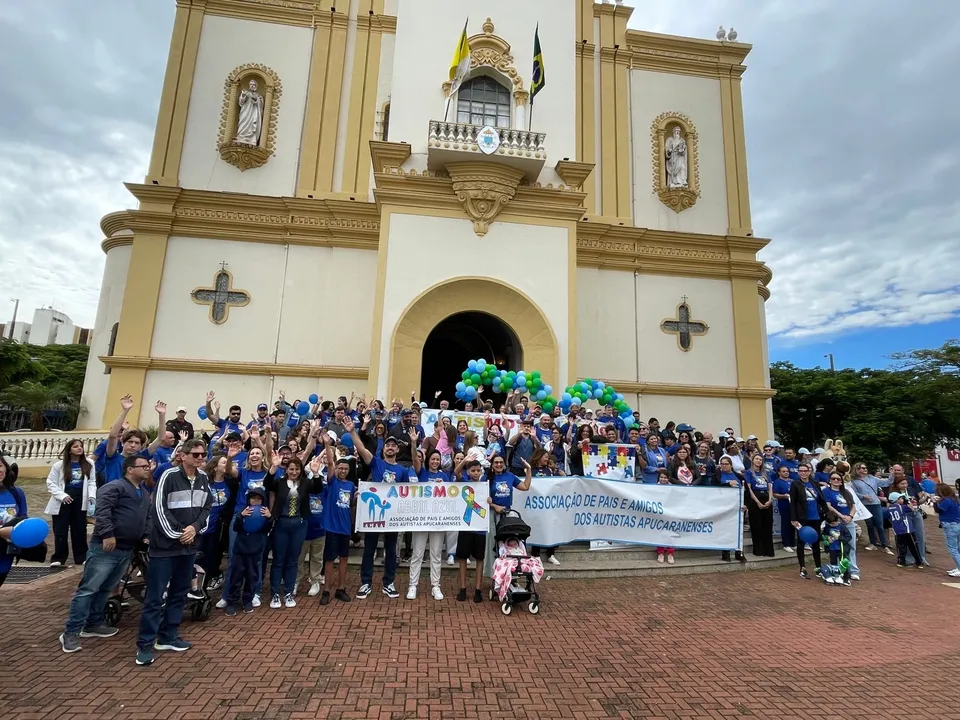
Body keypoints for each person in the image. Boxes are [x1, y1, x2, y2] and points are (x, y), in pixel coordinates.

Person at [59, 456, 152, 652]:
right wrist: (107, 534)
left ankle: (93, 623)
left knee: (106, 588)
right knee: (88, 589)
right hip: (106, 547)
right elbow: (102, 511)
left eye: (148, 466)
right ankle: (71, 632)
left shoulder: (143, 493)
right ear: (129, 469)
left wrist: (145, 536)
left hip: (126, 549)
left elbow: (146, 517)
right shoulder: (115, 487)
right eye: (143, 466)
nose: (147, 469)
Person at [135, 438, 212, 667]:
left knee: (179, 593)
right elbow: (159, 508)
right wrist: (179, 533)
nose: (200, 458)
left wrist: (194, 529)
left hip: (189, 547)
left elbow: (207, 508)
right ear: (183, 455)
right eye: (195, 454)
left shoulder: (203, 477)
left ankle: (168, 636)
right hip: (165, 548)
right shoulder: (168, 475)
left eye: (203, 454)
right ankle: (145, 644)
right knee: (155, 597)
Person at [348, 419, 402, 599]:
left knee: (391, 551)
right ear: (383, 448)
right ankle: (366, 583)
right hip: (373, 515)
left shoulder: (402, 470)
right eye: (388, 445)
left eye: (393, 446)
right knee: (369, 550)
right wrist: (352, 432)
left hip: (392, 516)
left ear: (397, 450)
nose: (390, 448)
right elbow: (362, 449)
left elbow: (409, 492)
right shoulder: (376, 462)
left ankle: (389, 583)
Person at [266, 454, 318, 609]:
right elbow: (267, 484)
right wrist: (274, 467)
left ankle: (288, 592)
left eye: (297, 469)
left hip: (299, 524)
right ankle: (275, 593)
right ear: (286, 470)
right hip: (281, 523)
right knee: (278, 560)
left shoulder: (305, 483)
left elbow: (318, 488)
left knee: (293, 559)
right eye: (291, 469)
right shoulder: (279, 482)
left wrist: (316, 473)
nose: (294, 472)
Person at [45, 439, 97, 567]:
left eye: (81, 446)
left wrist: (91, 495)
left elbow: (91, 481)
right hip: (63, 502)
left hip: (80, 501)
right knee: (60, 530)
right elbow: (51, 483)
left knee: (79, 530)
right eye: (75, 446)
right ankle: (59, 557)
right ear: (69, 450)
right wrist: (62, 495)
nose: (79, 448)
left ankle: (81, 557)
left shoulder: (89, 463)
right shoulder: (59, 465)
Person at [318, 438, 356, 605]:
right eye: (340, 468)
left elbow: (350, 504)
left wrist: (356, 498)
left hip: (345, 527)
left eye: (346, 469)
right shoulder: (332, 482)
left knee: (344, 558)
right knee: (329, 559)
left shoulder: (351, 485)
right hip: (332, 527)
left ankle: (341, 588)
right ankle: (326, 590)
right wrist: (327, 445)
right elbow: (330, 462)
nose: (343, 471)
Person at [407, 448, 448, 600]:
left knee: (436, 554)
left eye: (438, 459)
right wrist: (413, 442)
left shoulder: (444, 476)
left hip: (438, 520)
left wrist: (443, 486)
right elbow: (415, 460)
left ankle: (435, 586)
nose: (435, 462)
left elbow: (451, 496)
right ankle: (413, 585)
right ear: (427, 460)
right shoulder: (422, 473)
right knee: (417, 553)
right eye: (433, 459)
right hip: (421, 519)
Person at [224, 487, 271, 615]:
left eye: (258, 499)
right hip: (240, 550)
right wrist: (241, 516)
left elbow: (266, 530)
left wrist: (269, 518)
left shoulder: (264, 513)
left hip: (255, 551)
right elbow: (236, 527)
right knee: (236, 577)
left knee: (252, 577)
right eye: (253, 498)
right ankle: (232, 602)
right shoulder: (243, 511)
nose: (255, 501)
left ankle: (247, 601)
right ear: (248, 500)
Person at [790, 462, 825, 579]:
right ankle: (802, 568)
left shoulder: (815, 483)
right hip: (802, 519)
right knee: (801, 543)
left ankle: (818, 567)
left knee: (816, 544)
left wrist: (826, 513)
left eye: (805, 471)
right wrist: (794, 518)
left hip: (816, 517)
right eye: (801, 471)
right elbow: (793, 502)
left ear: (809, 471)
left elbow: (821, 500)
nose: (803, 473)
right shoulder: (795, 484)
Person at [821, 471, 857, 584]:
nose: (836, 480)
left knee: (851, 545)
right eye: (833, 478)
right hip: (835, 520)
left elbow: (853, 506)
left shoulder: (846, 492)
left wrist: (850, 516)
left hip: (848, 520)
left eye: (838, 479)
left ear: (841, 481)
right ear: (830, 480)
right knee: (835, 546)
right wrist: (841, 516)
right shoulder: (826, 491)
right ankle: (837, 570)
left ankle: (853, 570)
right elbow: (828, 506)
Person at [850, 462, 892, 555]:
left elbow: (886, 483)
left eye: (865, 468)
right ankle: (873, 543)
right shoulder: (854, 481)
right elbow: (854, 493)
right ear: (856, 470)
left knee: (879, 525)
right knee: (870, 525)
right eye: (861, 468)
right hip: (865, 505)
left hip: (876, 504)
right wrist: (864, 496)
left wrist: (892, 474)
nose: (864, 470)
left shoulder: (872, 478)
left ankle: (884, 545)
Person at [716, 456, 747, 563]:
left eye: (726, 464)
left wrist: (746, 504)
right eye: (722, 464)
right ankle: (726, 553)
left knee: (738, 530)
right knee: (725, 530)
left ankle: (739, 553)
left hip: (738, 507)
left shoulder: (738, 476)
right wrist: (727, 484)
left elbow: (746, 491)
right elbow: (715, 487)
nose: (724, 466)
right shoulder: (718, 475)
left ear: (731, 465)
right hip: (724, 506)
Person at [744, 454, 775, 557]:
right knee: (756, 526)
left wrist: (770, 500)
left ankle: (768, 550)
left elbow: (770, 487)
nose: (758, 461)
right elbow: (749, 489)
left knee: (767, 526)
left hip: (766, 498)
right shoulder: (748, 472)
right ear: (753, 460)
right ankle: (758, 550)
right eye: (756, 459)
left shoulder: (765, 473)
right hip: (755, 499)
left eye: (760, 459)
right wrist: (757, 502)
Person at [885, 492, 923, 569]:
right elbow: (912, 509)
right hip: (907, 530)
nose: (902, 499)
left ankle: (901, 562)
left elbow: (886, 515)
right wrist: (909, 501)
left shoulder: (889, 509)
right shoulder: (902, 507)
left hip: (897, 531)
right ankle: (919, 562)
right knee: (914, 546)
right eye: (901, 498)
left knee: (901, 547)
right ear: (897, 500)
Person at [933, 483, 960, 577]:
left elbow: (939, 510)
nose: (937, 493)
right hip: (957, 524)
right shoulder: (954, 499)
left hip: (950, 525)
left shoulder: (947, 500)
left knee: (952, 549)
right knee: (958, 547)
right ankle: (958, 567)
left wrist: (935, 502)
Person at [771, 465, 795, 553]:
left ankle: (792, 543)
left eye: (787, 471)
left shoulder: (792, 481)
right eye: (784, 471)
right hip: (784, 505)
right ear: (779, 472)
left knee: (793, 524)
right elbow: (775, 494)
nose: (786, 473)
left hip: (793, 506)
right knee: (786, 524)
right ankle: (786, 544)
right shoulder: (777, 482)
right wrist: (784, 496)